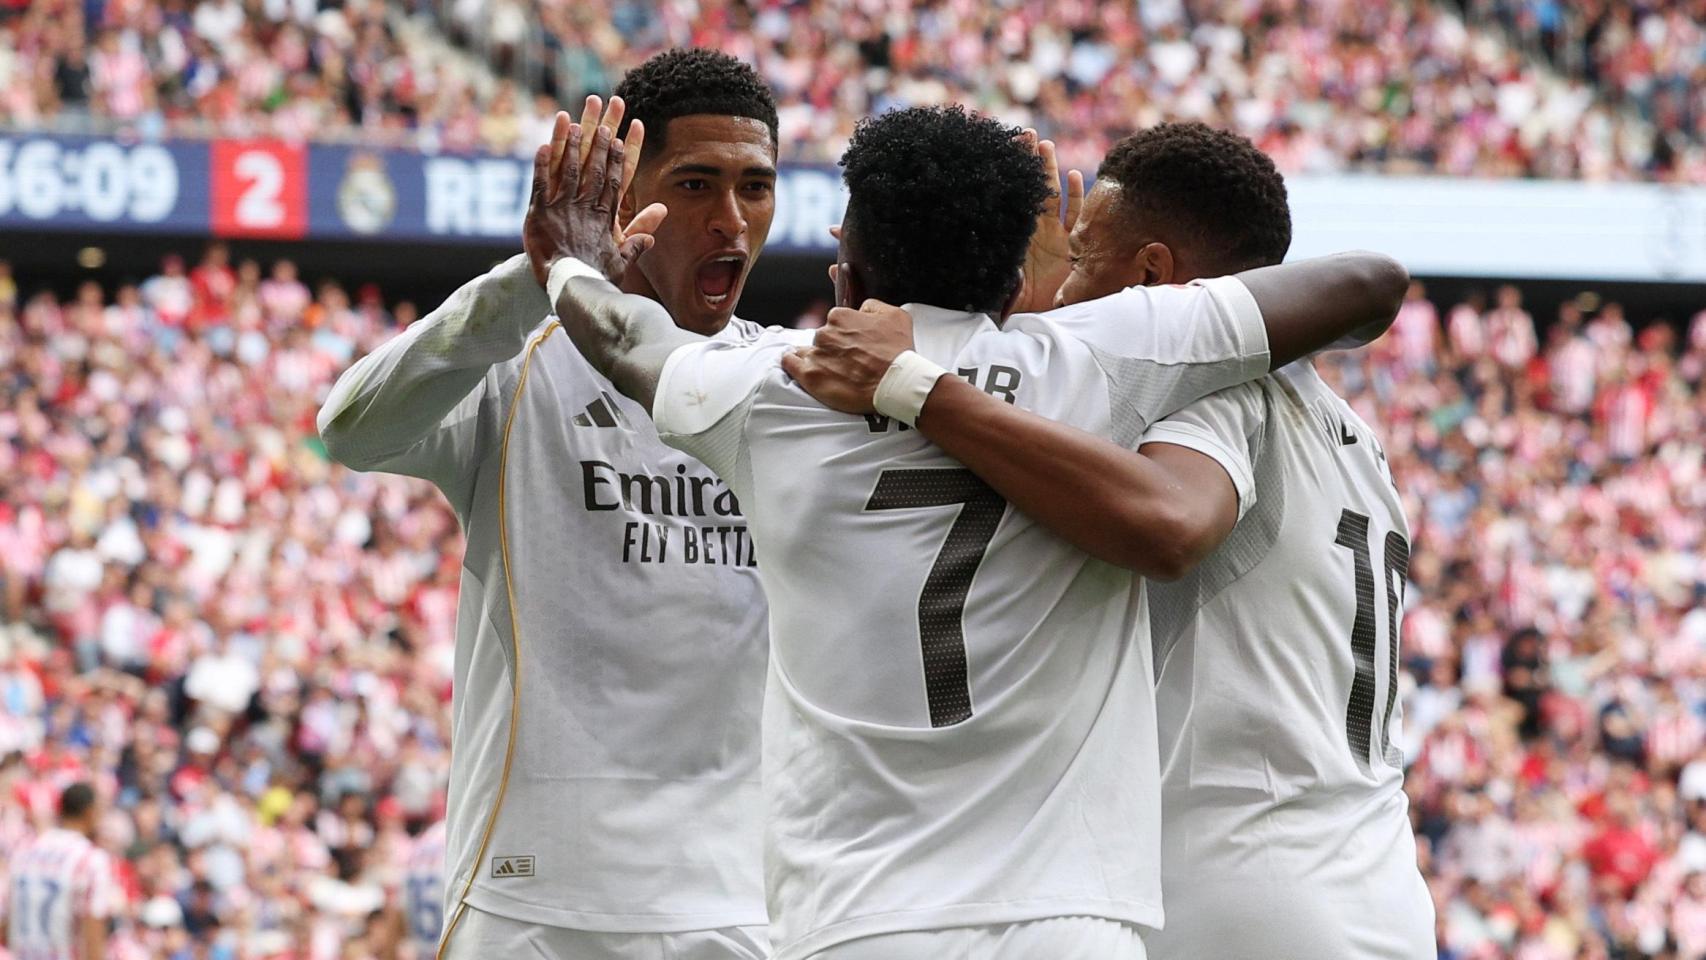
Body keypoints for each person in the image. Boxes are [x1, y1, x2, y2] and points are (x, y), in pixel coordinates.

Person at [528, 102, 1406, 960]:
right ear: (1014, 270)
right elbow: (1368, 282)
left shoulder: (776, 384)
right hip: (1093, 915)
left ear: (851, 272)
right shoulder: (1107, 361)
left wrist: (572, 266)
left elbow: (632, 345)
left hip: (861, 913)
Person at [786, 122, 1436, 958]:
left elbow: (1169, 524)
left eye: (1083, 256)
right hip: (1376, 883)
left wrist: (931, 379)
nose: (1059, 284)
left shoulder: (1213, 395)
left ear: (1155, 277)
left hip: (1230, 893)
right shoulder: (1357, 439)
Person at [318, 49, 781, 960]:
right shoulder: (520, 359)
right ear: (623, 197)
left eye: (756, 186)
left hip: (739, 899)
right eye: (696, 184)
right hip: (534, 897)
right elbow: (350, 430)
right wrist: (536, 280)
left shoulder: (782, 379)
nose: (732, 220)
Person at [5, 783, 113, 960]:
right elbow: (92, 934)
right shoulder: (89, 859)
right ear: (90, 812)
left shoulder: (24, 852)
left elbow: (7, 923)